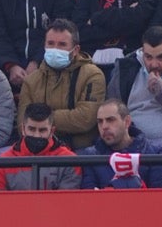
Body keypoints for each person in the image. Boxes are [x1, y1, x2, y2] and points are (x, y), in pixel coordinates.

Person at [17, 19, 104, 150]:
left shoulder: (93, 75)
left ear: (76, 50)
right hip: (39, 151)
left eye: (62, 44)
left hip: (80, 151)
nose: (55, 49)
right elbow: (22, 124)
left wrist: (41, 120)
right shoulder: (31, 80)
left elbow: (85, 119)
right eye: (50, 43)